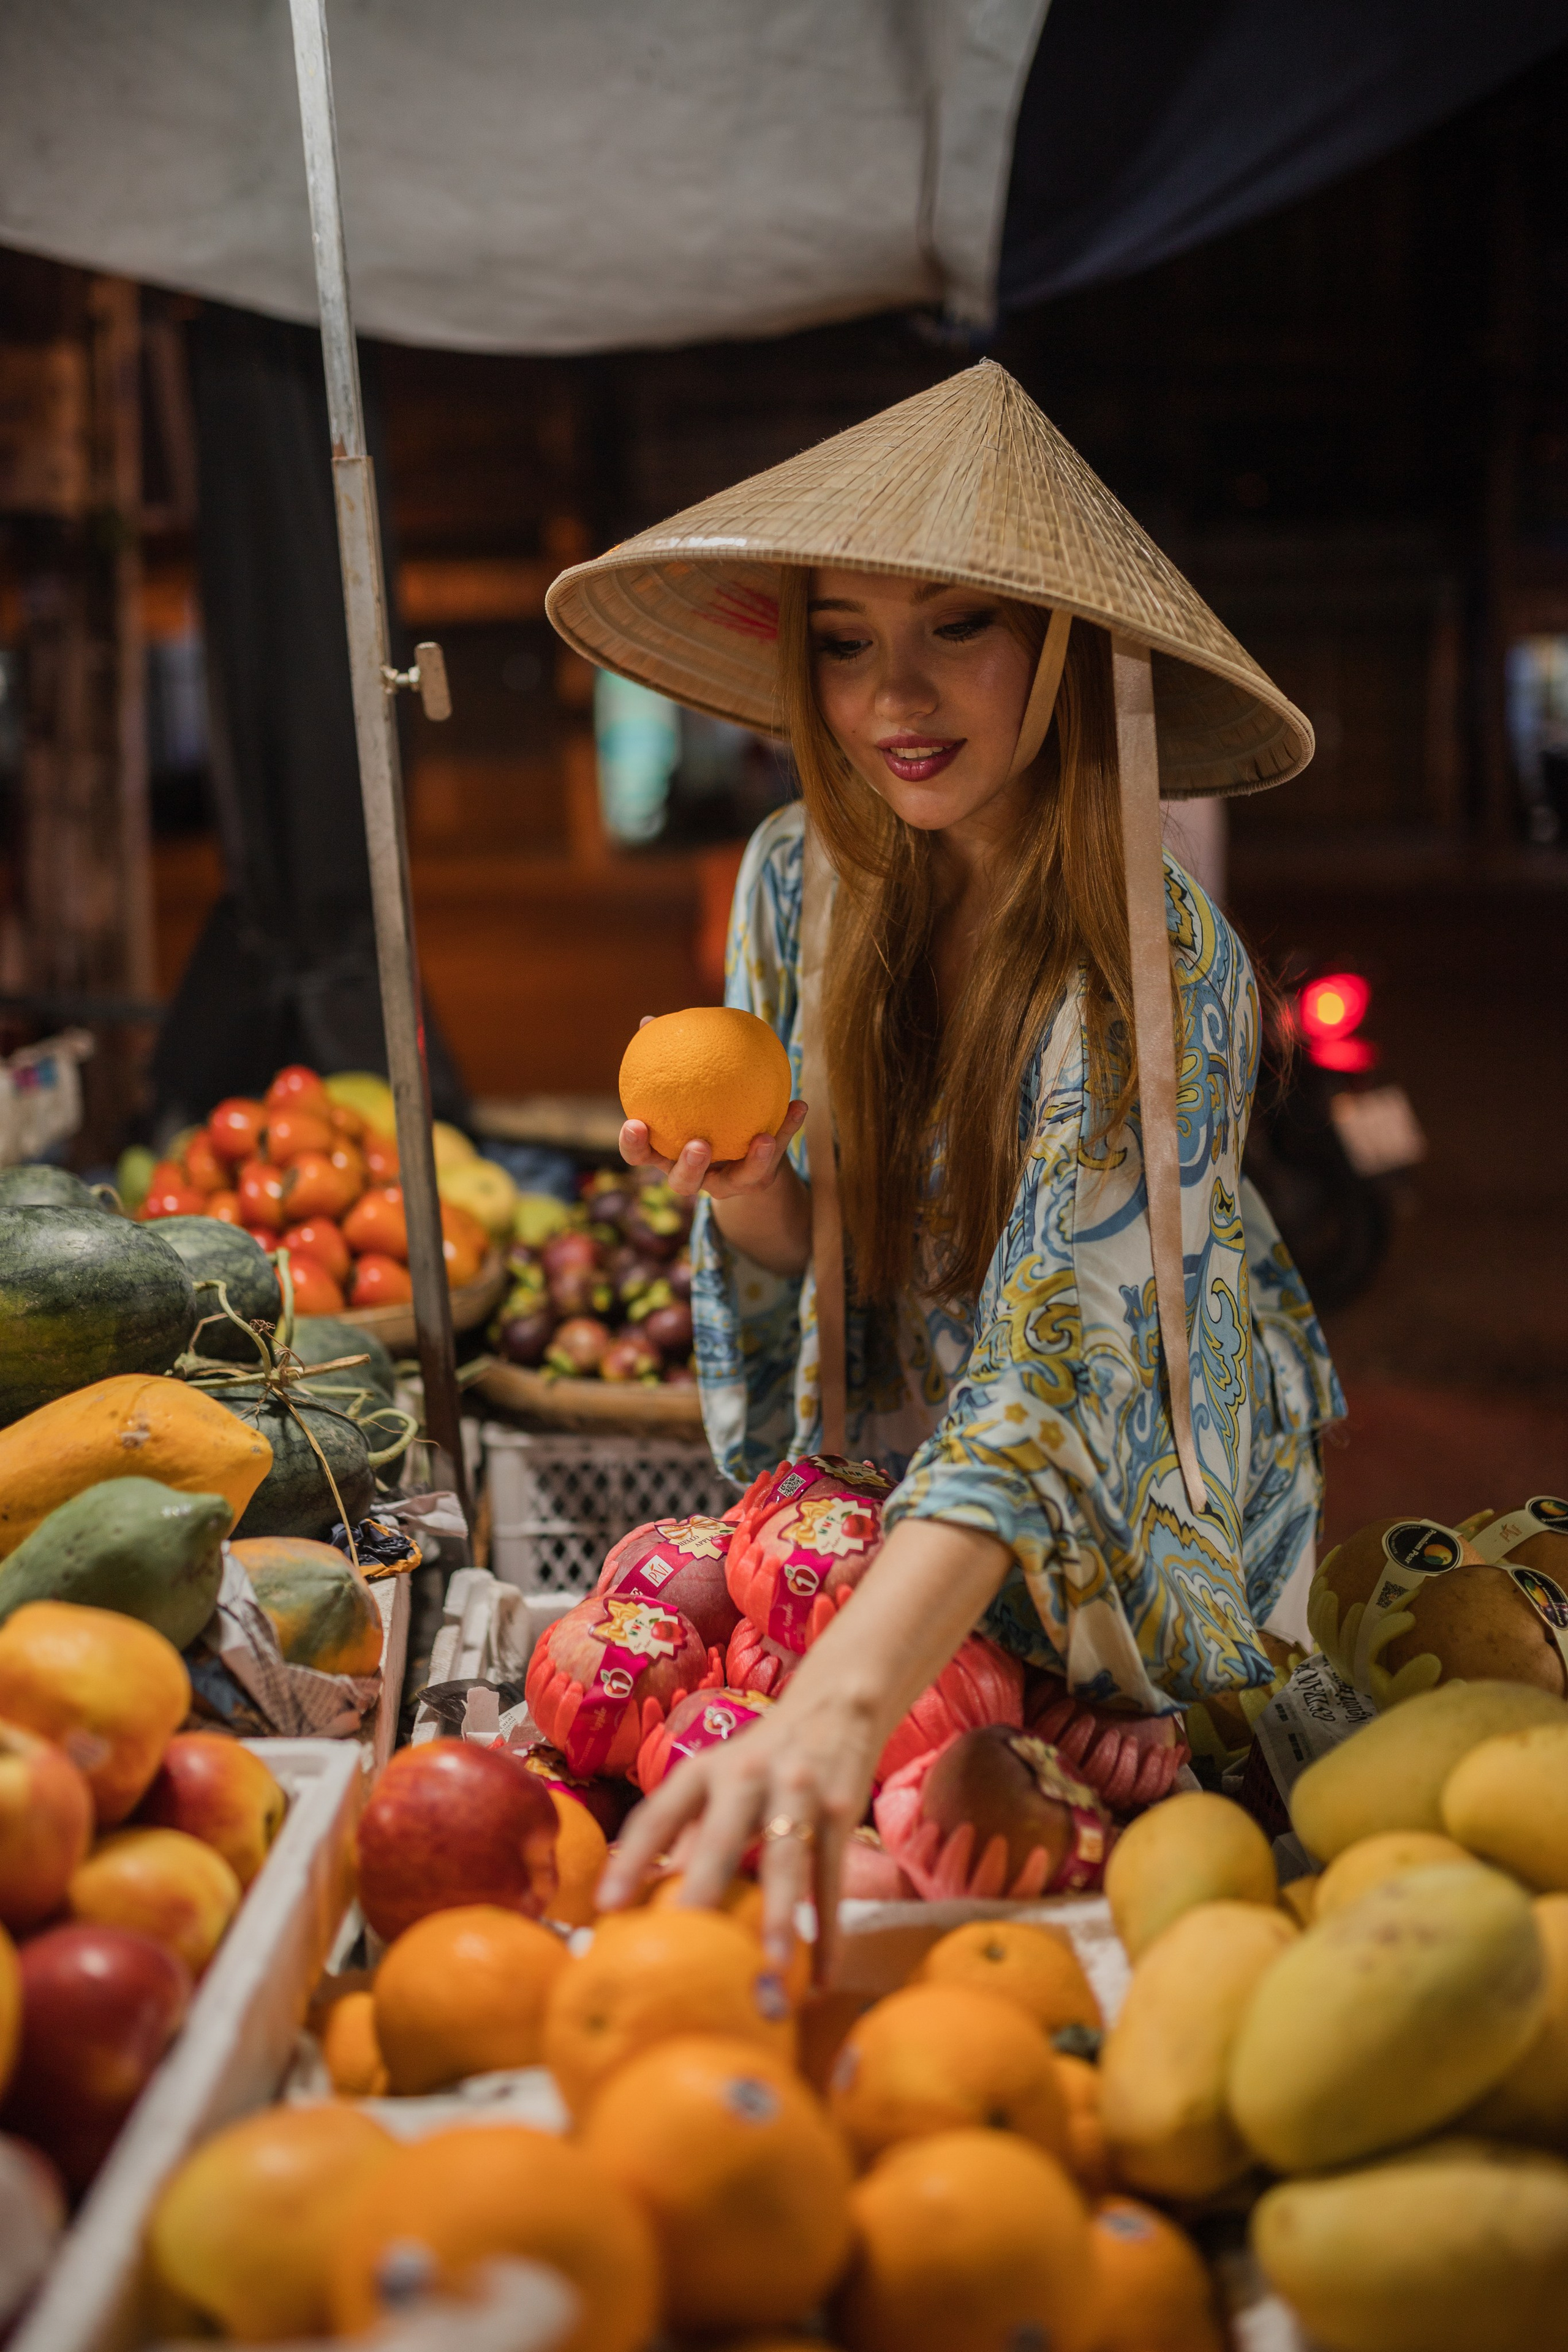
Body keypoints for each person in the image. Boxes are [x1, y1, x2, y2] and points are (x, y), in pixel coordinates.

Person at [545, 362, 1343, 1966]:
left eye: (956, 627)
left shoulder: (1153, 963)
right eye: (844, 643)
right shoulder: (796, 882)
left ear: (1062, 648)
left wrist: (842, 1706)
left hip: (1129, 1501)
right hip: (919, 1509)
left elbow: (1063, 1365)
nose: (891, 701)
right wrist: (752, 1188)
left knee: (1128, 1847)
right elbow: (830, 1265)